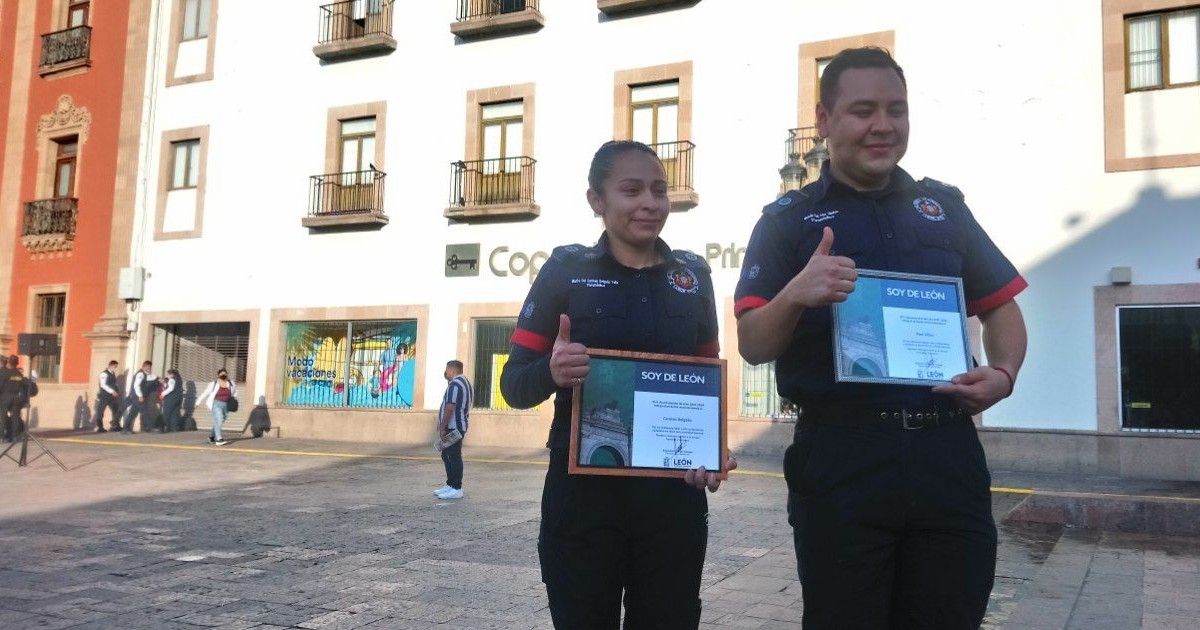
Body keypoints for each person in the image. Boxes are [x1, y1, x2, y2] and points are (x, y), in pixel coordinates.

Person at [734, 47, 1028, 629]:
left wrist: (1004, 375)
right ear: (824, 121)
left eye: (897, 109)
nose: (883, 125)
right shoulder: (787, 220)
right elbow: (752, 344)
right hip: (842, 458)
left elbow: (1002, 309)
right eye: (863, 110)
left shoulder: (943, 210)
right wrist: (797, 293)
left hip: (947, 454)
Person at [500, 140, 737, 629]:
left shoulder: (692, 275)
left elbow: (703, 381)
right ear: (596, 200)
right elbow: (512, 385)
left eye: (659, 190)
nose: (650, 203)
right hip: (583, 503)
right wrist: (552, 370)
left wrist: (712, 453)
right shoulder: (565, 270)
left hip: (672, 503)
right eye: (631, 190)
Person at [433, 360, 472, 500]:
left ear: (451, 370)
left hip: (453, 426)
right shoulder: (465, 382)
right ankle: (450, 485)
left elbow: (450, 407)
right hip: (457, 425)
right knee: (446, 454)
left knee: (453, 456)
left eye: (447, 369)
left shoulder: (455, 384)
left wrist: (443, 427)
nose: (446, 372)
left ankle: (456, 487)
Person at [196, 369, 236, 445]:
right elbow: (205, 393)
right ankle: (219, 439)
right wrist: (197, 402)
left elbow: (234, 392)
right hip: (216, 404)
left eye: (225, 374)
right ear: (218, 375)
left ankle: (211, 436)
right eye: (222, 374)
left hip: (226, 405)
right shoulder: (214, 383)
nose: (223, 375)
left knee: (221, 420)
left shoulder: (230, 383)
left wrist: (235, 397)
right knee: (219, 419)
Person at [120, 360, 154, 434]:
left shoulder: (143, 374)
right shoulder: (141, 374)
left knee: (132, 413)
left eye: (150, 368)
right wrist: (140, 395)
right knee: (145, 411)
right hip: (137, 397)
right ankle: (151, 428)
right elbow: (136, 386)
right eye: (148, 367)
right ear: (144, 367)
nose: (149, 369)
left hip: (135, 397)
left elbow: (151, 378)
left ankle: (125, 429)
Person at [0, 355, 27, 442]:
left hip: (5, 396)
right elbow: (23, 386)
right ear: (16, 363)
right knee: (15, 416)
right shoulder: (19, 374)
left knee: (3, 416)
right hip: (16, 397)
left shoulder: (4, 373)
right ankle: (15, 436)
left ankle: (2, 436)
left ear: (8, 363)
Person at [92, 360, 120, 433]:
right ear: (110, 365)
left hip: (112, 396)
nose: (115, 368)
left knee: (116, 410)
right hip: (104, 396)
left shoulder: (112, 373)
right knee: (100, 412)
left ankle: (115, 425)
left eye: (116, 367)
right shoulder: (104, 374)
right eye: (114, 366)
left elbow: (114, 383)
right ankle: (100, 427)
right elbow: (103, 385)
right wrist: (112, 391)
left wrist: (116, 390)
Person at [159, 369, 183, 433]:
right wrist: (164, 383)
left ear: (172, 374)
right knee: (175, 413)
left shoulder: (172, 379)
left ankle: (162, 428)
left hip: (171, 399)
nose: (168, 376)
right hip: (178, 399)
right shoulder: (179, 380)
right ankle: (174, 428)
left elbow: (170, 388)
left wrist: (162, 394)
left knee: (166, 413)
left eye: (168, 374)